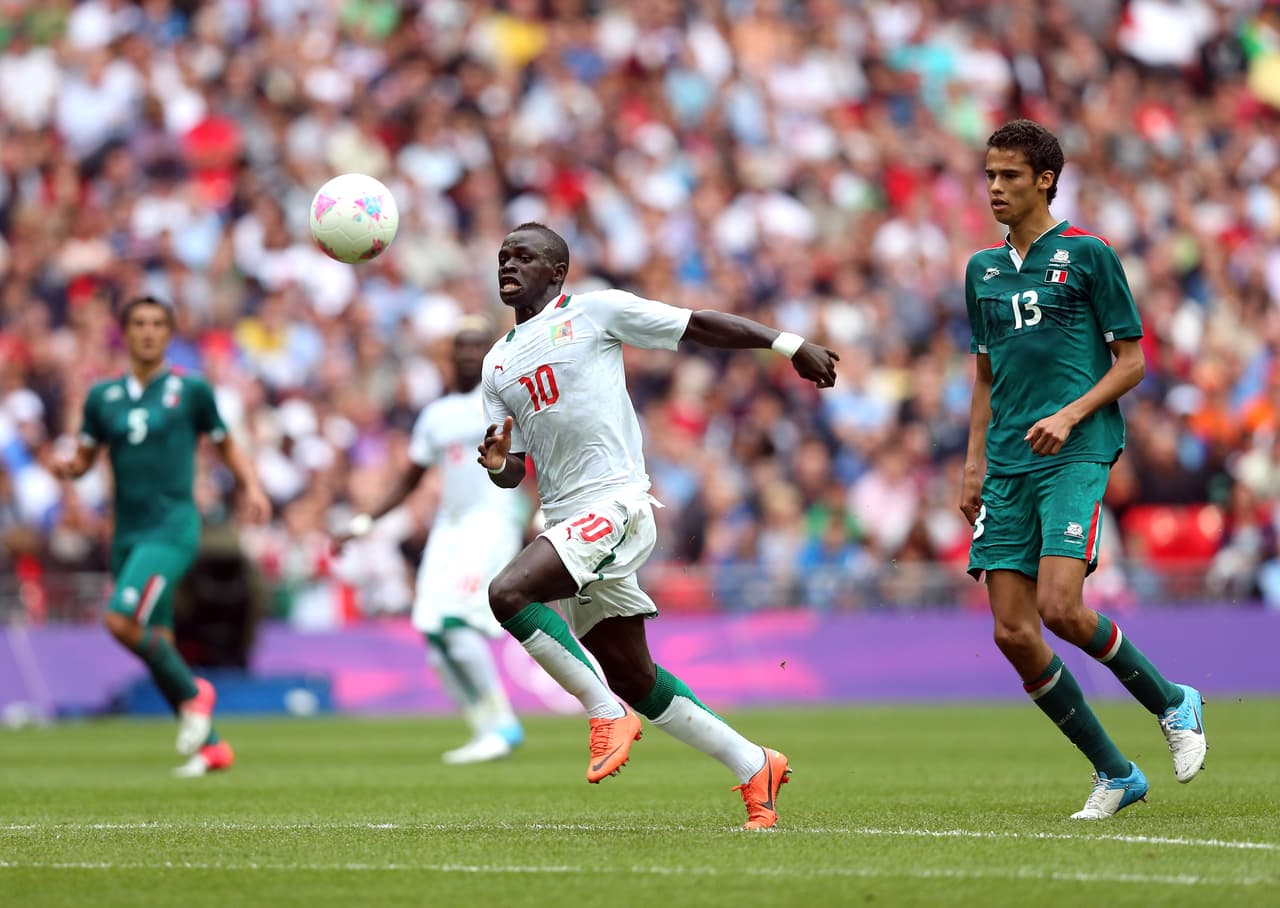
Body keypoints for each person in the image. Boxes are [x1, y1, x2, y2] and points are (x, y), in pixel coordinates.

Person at [476, 223, 838, 829]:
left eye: (525, 256)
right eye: (502, 256)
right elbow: (513, 470)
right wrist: (498, 465)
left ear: (558, 272)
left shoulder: (595, 313)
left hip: (614, 505)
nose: (508, 265)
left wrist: (787, 343)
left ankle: (603, 713)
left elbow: (696, 324)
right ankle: (755, 765)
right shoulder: (497, 364)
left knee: (507, 592)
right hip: (567, 517)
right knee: (633, 674)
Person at [960, 121, 1208, 820]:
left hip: (1074, 449)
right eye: (989, 176)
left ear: (1044, 179)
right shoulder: (981, 270)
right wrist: (972, 463)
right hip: (1006, 460)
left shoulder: (1090, 255)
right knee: (1012, 633)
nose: (996, 188)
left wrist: (1069, 414)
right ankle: (1116, 772)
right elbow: (984, 375)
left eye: (1009, 176)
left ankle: (1173, 700)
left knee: (1059, 607)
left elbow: (1132, 362)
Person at [54, 295, 271, 778]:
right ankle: (211, 748)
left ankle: (196, 694)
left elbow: (224, 442)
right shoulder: (101, 397)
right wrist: (69, 467)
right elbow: (86, 458)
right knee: (157, 637)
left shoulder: (190, 390)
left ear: (168, 333)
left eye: (157, 324)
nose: (148, 332)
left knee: (120, 619)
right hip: (126, 532)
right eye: (139, 323)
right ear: (126, 333)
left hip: (171, 526)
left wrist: (251, 484)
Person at [336, 317, 529, 764]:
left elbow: (535, 462)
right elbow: (408, 480)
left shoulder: (508, 405)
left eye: (476, 346)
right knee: (432, 629)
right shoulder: (437, 415)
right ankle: (484, 729)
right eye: (459, 347)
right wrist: (363, 523)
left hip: (492, 522)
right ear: (449, 356)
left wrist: (540, 511)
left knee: (456, 622)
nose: (467, 354)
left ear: (490, 353)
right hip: (450, 526)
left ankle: (503, 723)